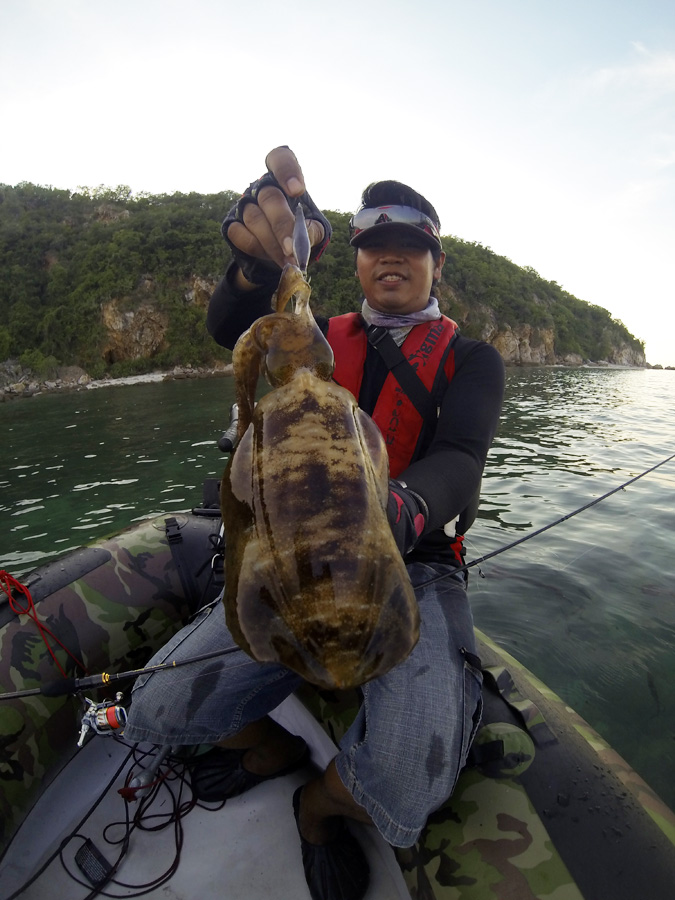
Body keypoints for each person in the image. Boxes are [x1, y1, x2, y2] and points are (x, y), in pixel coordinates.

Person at [123, 147, 505, 900]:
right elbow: (233, 324)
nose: (390, 260)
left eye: (410, 250)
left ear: (436, 265)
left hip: (411, 560)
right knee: (159, 707)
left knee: (406, 778)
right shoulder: (309, 338)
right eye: (373, 251)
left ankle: (319, 806)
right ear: (357, 265)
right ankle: (270, 752)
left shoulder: (470, 358)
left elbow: (460, 457)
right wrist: (256, 270)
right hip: (289, 559)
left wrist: (393, 509)